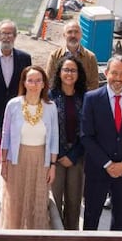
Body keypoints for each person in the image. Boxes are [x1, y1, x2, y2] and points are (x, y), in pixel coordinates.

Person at [81, 55, 122, 231]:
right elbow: (86, 136)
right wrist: (108, 163)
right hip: (98, 168)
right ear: (106, 73)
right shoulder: (92, 98)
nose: (118, 78)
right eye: (114, 73)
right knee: (91, 214)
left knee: (120, 216)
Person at [0, 65, 58, 230]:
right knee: (16, 198)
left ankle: (35, 238)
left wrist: (53, 166)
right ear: (24, 83)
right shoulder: (13, 104)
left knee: (37, 199)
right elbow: (6, 135)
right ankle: (14, 238)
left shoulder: (50, 107)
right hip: (17, 158)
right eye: (30, 80)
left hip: (41, 159)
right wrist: (3, 162)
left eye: (38, 80)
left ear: (43, 84)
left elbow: (54, 137)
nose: (34, 84)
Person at [48, 56, 87, 231]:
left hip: (77, 158)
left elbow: (88, 130)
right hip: (55, 158)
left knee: (74, 200)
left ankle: (71, 238)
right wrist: (61, 154)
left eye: (73, 70)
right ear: (59, 72)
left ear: (79, 74)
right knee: (54, 200)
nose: (69, 73)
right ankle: (55, 239)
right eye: (66, 70)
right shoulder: (49, 97)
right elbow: (47, 128)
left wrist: (72, 155)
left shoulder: (86, 98)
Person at [0, 19, 33, 130]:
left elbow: (28, 87)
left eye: (10, 34)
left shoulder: (25, 59)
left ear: (15, 36)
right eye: (4, 33)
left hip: (18, 115)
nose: (7, 37)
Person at [45, 20, 100, 92]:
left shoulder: (90, 57)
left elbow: (94, 84)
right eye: (69, 32)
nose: (73, 35)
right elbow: (49, 81)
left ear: (81, 35)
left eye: (76, 32)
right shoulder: (54, 56)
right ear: (64, 35)